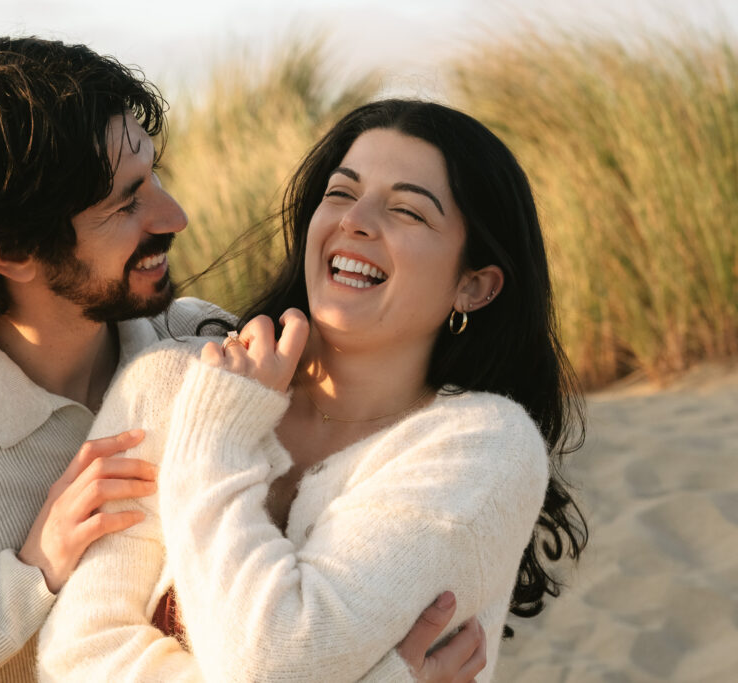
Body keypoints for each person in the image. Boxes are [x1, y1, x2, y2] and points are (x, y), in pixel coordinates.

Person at [0, 38, 480, 683]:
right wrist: (26, 576)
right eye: (126, 203)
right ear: (13, 251)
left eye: (155, 177)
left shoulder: (209, 355)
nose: (173, 217)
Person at [38, 99, 588, 682]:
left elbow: (276, 660)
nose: (356, 220)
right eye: (341, 193)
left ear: (474, 286)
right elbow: (75, 657)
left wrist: (217, 438)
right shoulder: (172, 383)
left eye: (407, 210)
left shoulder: (482, 447)